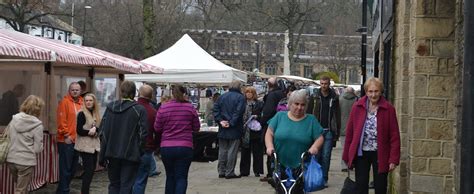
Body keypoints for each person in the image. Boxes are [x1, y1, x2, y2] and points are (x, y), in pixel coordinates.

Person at [342, 77, 401, 194]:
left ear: (381, 91)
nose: (373, 95)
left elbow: (394, 136)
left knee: (380, 187)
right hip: (361, 153)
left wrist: (393, 159)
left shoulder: (389, 109)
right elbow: (350, 133)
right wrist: (346, 156)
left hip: (380, 153)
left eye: (376, 91)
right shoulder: (357, 107)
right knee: (361, 187)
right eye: (370, 91)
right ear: (366, 91)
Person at [264, 89, 324, 193]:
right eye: (296, 104)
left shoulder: (311, 120)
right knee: (281, 190)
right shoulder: (280, 116)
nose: (299, 107)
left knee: (297, 191)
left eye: (303, 105)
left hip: (301, 164)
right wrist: (269, 147)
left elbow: (320, 137)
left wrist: (314, 147)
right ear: (290, 104)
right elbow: (269, 133)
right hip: (280, 162)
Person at [99, 80, 148, 194]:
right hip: (130, 154)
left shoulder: (110, 107)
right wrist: (139, 150)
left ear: (121, 92)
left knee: (114, 184)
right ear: (134, 92)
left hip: (112, 152)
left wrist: (105, 149)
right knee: (126, 185)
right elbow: (143, 134)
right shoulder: (139, 110)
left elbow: (102, 131)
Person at [154, 85, 200, 194]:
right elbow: (196, 128)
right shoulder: (190, 108)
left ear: (172, 94)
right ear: (184, 94)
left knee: (170, 177)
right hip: (185, 146)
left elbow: (157, 128)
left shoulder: (164, 107)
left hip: (167, 146)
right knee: (181, 177)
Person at [6, 95, 45, 194]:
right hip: (26, 161)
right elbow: (37, 149)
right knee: (21, 190)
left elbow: (8, 137)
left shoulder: (14, 119)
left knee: (20, 187)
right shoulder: (38, 125)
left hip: (11, 159)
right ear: (38, 109)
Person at [307, 76, 341, 186]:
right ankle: (316, 177)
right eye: (321, 83)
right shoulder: (314, 96)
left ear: (329, 84)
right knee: (316, 155)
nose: (323, 86)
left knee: (326, 156)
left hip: (329, 131)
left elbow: (337, 114)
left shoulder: (334, 97)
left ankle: (324, 178)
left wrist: (337, 131)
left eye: (325, 83)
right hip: (317, 131)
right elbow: (308, 113)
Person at [213, 80, 246, 179]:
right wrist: (231, 123)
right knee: (232, 150)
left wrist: (220, 121)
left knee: (222, 150)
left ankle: (221, 170)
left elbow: (216, 109)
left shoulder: (222, 97)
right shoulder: (240, 97)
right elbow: (238, 112)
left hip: (223, 127)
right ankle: (229, 171)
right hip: (234, 127)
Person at [56, 82, 82, 194]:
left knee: (73, 169)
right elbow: (62, 121)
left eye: (77, 90)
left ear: (80, 91)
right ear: (69, 91)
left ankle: (61, 190)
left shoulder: (82, 103)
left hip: (78, 140)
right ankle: (64, 191)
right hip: (66, 140)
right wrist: (66, 135)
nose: (75, 91)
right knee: (65, 169)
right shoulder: (64, 102)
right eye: (73, 90)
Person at [133, 85, 159, 194]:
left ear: (139, 93)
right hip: (146, 148)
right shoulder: (153, 111)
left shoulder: (132, 107)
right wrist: (155, 146)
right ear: (151, 96)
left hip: (129, 148)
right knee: (141, 179)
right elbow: (157, 131)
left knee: (128, 179)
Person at [74, 93, 101, 194]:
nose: (88, 102)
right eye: (86, 101)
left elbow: (99, 128)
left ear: (94, 102)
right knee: (89, 170)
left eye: (90, 100)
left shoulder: (95, 113)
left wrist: (96, 129)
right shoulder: (82, 113)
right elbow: (79, 130)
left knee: (91, 170)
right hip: (85, 146)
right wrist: (90, 132)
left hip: (93, 146)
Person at [260, 77, 285, 182]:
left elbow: (268, 111)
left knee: (270, 149)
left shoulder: (272, 95)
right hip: (282, 125)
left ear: (269, 85)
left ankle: (271, 173)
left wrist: (262, 121)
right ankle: (278, 172)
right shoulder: (282, 93)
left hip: (271, 125)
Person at [239, 86, 264, 177]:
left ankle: (257, 171)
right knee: (245, 151)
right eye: (247, 92)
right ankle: (244, 171)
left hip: (255, 130)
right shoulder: (242, 103)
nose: (249, 94)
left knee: (257, 151)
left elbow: (263, 115)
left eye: (251, 92)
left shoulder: (259, 103)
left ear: (254, 94)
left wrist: (258, 117)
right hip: (245, 131)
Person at [339, 87, 358, 171]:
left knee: (344, 148)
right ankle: (351, 163)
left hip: (343, 127)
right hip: (354, 127)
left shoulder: (340, 100)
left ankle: (344, 165)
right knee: (353, 147)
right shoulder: (357, 100)